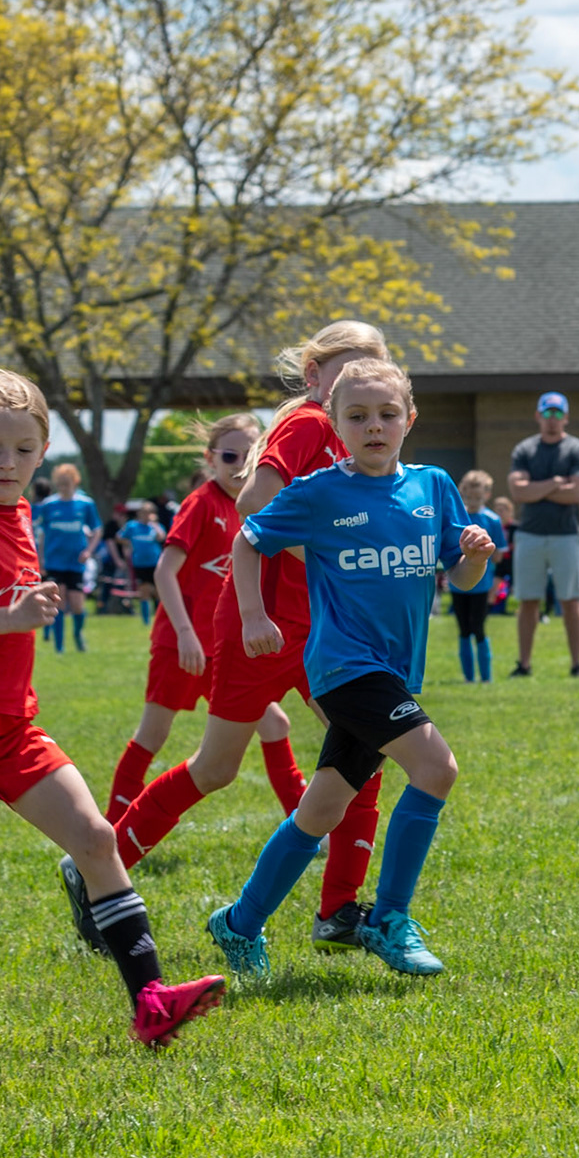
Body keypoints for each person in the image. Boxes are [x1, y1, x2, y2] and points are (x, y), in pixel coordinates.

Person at [0, 367, 225, 1046]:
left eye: (23, 448)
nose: (7, 462)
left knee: (97, 838)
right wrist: (5, 618)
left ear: (44, 452)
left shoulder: (22, 513)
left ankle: (151, 1001)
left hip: (8, 728)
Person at [104, 321, 390, 954]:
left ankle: (338, 912)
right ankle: (103, 872)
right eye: (346, 369)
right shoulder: (309, 424)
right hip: (257, 625)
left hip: (323, 632)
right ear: (315, 378)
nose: (361, 381)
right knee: (215, 768)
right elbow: (253, 512)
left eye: (374, 366)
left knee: (364, 755)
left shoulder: (361, 437)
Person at [208, 358, 494, 980]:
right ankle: (390, 920)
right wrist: (254, 615)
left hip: (393, 671)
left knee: (321, 810)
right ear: (334, 425)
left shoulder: (434, 486)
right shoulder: (319, 492)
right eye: (357, 416)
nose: (374, 426)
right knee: (436, 767)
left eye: (387, 414)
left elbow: (463, 576)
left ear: (409, 420)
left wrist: (472, 555)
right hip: (344, 668)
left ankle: (239, 922)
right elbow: (248, 540)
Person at [104, 414, 298, 821]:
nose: (239, 464)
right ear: (211, 458)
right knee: (153, 734)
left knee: (275, 724)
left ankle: (304, 826)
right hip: (182, 644)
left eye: (249, 455)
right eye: (229, 455)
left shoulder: (255, 507)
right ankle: (113, 830)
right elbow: (163, 573)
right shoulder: (200, 503)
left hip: (224, 647)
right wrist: (186, 634)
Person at [507, 392, 579, 678]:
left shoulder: (577, 450)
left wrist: (536, 489)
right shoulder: (525, 450)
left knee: (571, 601)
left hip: (567, 536)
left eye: (558, 414)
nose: (552, 419)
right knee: (529, 601)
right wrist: (556, 483)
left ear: (565, 417)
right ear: (538, 416)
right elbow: (517, 492)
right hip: (530, 535)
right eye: (547, 413)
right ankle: (524, 664)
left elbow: (578, 493)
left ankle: (577, 665)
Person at [32, 463, 102, 653]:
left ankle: (78, 634)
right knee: (59, 603)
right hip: (55, 561)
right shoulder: (49, 505)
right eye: (60, 483)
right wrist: (41, 559)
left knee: (78, 605)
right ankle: (59, 646)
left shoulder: (86, 504)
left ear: (75, 481)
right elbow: (42, 534)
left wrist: (89, 551)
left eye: (67, 483)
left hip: (76, 561)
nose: (64, 487)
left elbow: (97, 530)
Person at [451, 470, 507, 684]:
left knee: (479, 628)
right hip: (458, 586)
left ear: (487, 495)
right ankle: (468, 677)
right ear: (462, 494)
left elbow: (499, 555)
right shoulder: (457, 518)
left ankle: (486, 677)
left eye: (478, 498)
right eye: (468, 497)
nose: (473, 502)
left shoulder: (492, 520)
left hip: (482, 586)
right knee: (463, 629)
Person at [119, 502, 165, 623]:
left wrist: (154, 523)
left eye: (148, 513)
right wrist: (130, 545)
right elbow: (120, 537)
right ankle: (146, 621)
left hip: (155, 563)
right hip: (140, 563)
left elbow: (162, 537)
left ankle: (160, 618)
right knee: (144, 591)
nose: (146, 515)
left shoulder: (155, 527)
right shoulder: (132, 526)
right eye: (143, 513)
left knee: (158, 591)